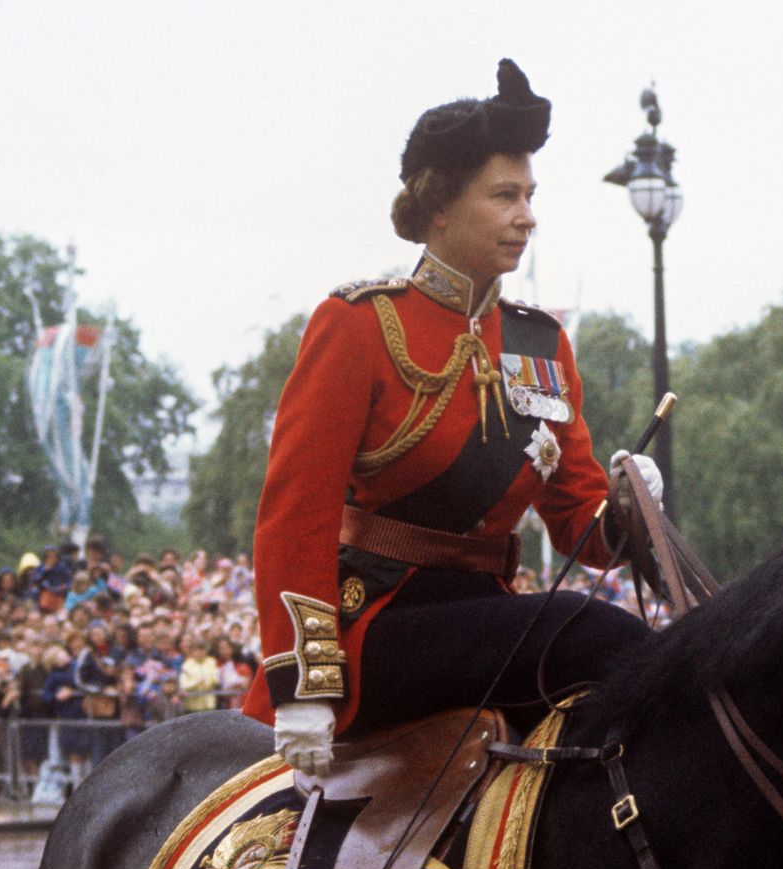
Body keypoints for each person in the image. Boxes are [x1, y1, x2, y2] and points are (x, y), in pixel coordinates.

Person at [242, 59, 662, 776]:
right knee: (595, 634)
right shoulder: (359, 324)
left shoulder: (542, 342)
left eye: (530, 195)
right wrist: (303, 681)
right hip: (378, 624)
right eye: (504, 195)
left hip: (489, 615)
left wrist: (624, 504)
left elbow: (579, 527)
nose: (527, 215)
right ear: (439, 207)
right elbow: (296, 513)